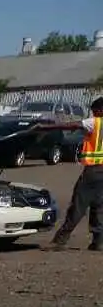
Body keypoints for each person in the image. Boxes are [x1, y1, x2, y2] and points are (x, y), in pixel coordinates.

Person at [50, 96, 103, 251]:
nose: (93, 114)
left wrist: (45, 126)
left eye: (94, 111)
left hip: (93, 170)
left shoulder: (96, 122)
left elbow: (74, 124)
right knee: (99, 205)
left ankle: (60, 240)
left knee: (78, 204)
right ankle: (98, 241)